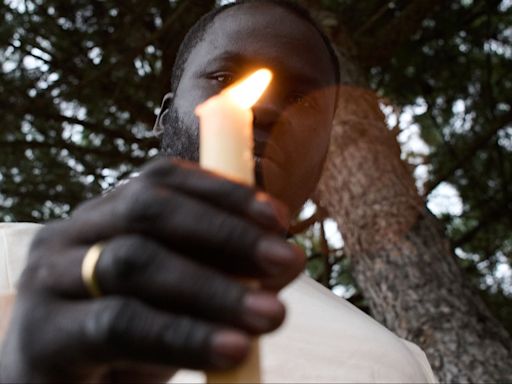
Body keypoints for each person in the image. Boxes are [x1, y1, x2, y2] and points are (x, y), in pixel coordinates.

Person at [0, 1, 436, 382]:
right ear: (165, 117)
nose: (264, 106)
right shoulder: (12, 259)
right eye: (225, 75)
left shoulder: (401, 362)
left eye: (303, 101)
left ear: (324, 153)